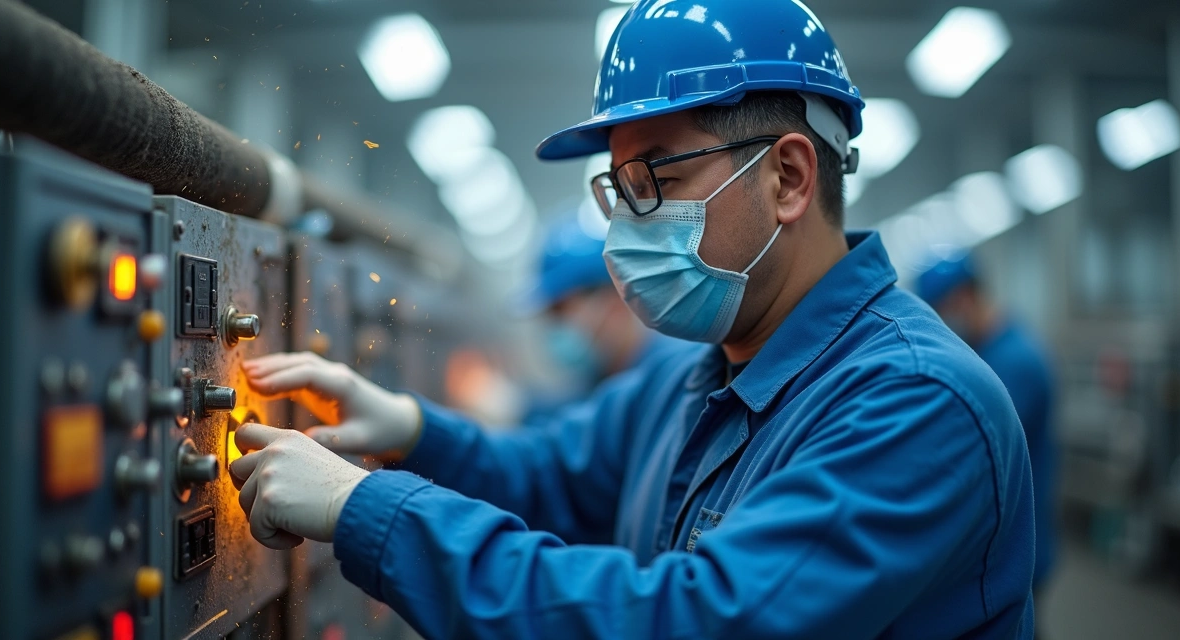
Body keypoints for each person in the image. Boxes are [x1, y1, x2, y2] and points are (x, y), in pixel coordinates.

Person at [229, 2, 1036, 637]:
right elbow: (549, 476)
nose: (625, 229)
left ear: (788, 178)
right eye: (619, 190)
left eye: (655, 181)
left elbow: (690, 621)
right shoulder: (698, 375)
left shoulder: (915, 402)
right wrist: (408, 429)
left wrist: (365, 510)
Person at [917, 254, 1058, 602]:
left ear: (965, 298)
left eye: (943, 310)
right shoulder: (986, 350)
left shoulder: (1014, 362)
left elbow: (972, 449)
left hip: (1015, 543)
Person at [519, 216, 689, 420]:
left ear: (615, 295)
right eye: (552, 316)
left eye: (562, 312)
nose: (558, 328)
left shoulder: (679, 376)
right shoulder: (597, 385)